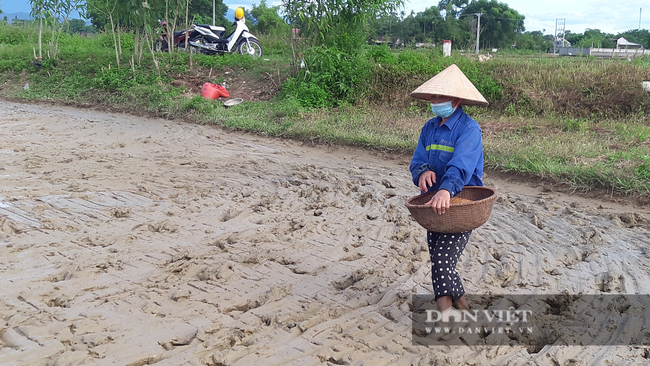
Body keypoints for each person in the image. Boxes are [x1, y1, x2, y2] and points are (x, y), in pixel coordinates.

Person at [408, 64, 488, 316]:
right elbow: (417, 159)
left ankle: (444, 312)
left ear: (455, 100)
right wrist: (422, 171)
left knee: (442, 261)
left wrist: (446, 190)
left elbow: (461, 165)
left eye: (439, 97)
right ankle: (462, 305)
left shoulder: (469, 129)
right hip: (435, 204)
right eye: (432, 96)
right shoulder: (429, 128)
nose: (433, 101)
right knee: (441, 259)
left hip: (461, 204)